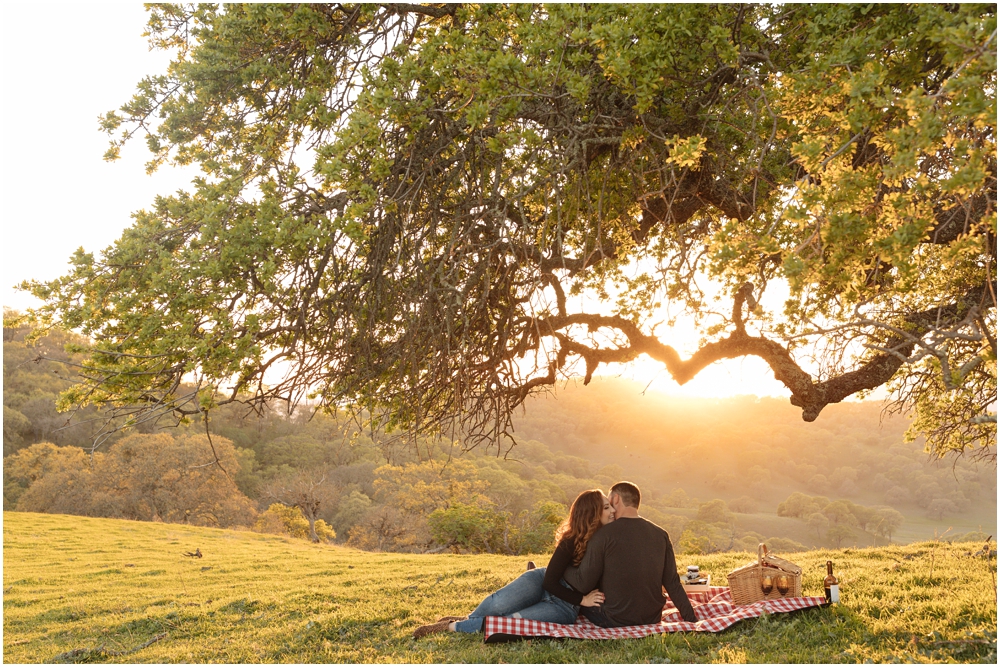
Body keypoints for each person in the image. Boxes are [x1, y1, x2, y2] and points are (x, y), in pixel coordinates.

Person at [412, 489, 614, 638]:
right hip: (544, 581)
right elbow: (550, 582)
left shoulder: (609, 540)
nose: (612, 510)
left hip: (565, 607)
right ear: (591, 513)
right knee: (497, 604)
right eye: (606, 507)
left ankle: (450, 626)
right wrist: (583, 600)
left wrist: (579, 602)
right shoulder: (571, 540)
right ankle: (470, 618)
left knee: (510, 621)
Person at [563, 481, 697, 626]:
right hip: (651, 618)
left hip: (613, 619)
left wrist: (563, 567)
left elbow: (582, 584)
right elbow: (672, 582)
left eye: (609, 502)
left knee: (572, 594)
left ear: (616, 499)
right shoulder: (661, 534)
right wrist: (691, 619)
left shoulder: (604, 535)